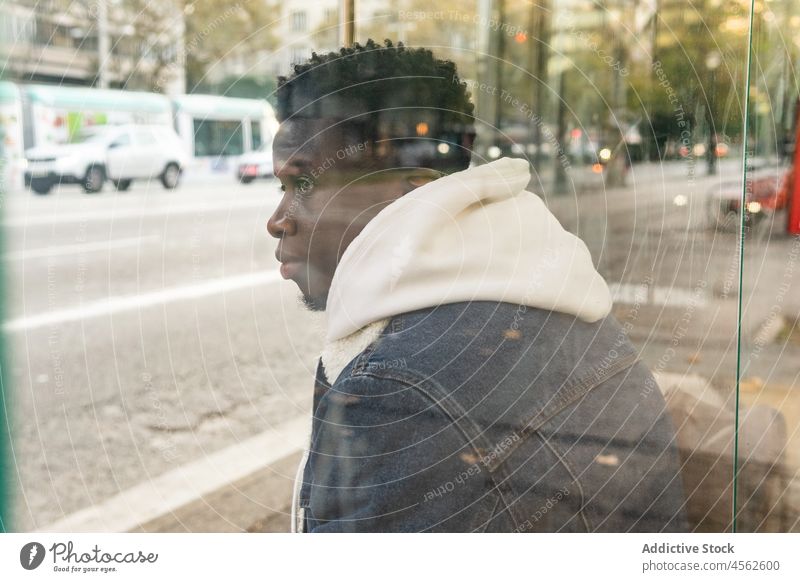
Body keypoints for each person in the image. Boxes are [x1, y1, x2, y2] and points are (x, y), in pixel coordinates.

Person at [267, 39, 687, 533]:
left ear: (416, 188)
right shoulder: (548, 297)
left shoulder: (397, 394)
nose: (278, 221)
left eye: (304, 185)